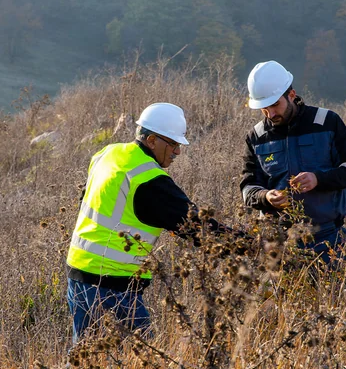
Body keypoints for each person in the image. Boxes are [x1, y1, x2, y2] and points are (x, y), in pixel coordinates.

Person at [66, 102, 233, 344]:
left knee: (85, 356)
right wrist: (256, 246)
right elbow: (200, 228)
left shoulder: (107, 153)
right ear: (152, 140)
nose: (177, 152)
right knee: (143, 360)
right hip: (113, 286)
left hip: (78, 274)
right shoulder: (150, 179)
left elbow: (88, 201)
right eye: (173, 144)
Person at [240, 60, 346, 281]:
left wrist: (319, 179)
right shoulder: (256, 137)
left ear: (292, 94)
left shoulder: (327, 122)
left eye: (275, 105)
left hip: (329, 240)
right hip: (278, 246)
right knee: (279, 314)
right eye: (263, 108)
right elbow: (248, 188)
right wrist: (265, 196)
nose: (270, 114)